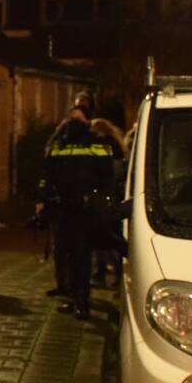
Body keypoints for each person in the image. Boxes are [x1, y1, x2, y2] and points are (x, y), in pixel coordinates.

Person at [36, 104, 115, 320]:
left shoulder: (97, 144)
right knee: (67, 255)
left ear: (88, 121)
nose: (73, 122)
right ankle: (72, 297)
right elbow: (48, 173)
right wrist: (43, 199)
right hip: (62, 208)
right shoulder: (59, 144)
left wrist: (96, 200)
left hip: (83, 210)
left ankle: (83, 301)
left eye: (78, 118)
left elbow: (107, 177)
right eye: (71, 118)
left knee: (81, 256)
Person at [44, 90, 96, 298]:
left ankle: (81, 292)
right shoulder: (61, 136)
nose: (74, 121)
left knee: (80, 251)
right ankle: (63, 285)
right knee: (61, 247)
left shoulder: (93, 136)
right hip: (62, 202)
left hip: (83, 204)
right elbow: (49, 162)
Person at [90, 118, 126, 287]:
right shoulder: (116, 146)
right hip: (113, 197)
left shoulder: (102, 145)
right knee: (110, 237)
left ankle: (100, 274)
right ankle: (117, 275)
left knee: (103, 238)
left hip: (103, 198)